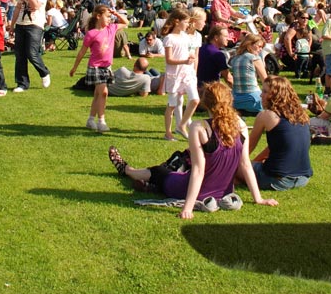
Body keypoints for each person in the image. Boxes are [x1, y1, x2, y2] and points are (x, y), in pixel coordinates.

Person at [107, 82, 279, 218]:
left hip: (195, 191)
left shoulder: (199, 127)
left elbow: (198, 170)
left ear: (205, 103)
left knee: (160, 172)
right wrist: (259, 199)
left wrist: (187, 208)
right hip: (224, 191)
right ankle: (145, 183)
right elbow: (246, 165)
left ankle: (128, 170)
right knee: (179, 164)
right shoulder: (240, 126)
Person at [69, 4, 129, 132]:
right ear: (98, 16)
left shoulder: (111, 28)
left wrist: (115, 13)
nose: (109, 19)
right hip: (95, 67)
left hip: (106, 67)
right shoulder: (91, 34)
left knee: (98, 94)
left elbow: (126, 22)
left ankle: (91, 120)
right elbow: (82, 52)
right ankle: (101, 121)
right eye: (107, 17)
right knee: (103, 92)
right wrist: (74, 68)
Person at [247, 76, 313, 190]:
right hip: (303, 178)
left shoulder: (266, 115)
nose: (261, 95)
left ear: (275, 96)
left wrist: (235, 166)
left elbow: (248, 147)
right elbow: (282, 144)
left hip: (276, 179)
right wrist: (254, 161)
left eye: (265, 92)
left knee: (236, 169)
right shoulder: (301, 115)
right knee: (251, 166)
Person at [9, 0, 51, 92]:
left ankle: (44, 72)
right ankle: (22, 83)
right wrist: (12, 25)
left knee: (31, 53)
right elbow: (17, 7)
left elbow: (36, 5)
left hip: (35, 24)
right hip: (21, 23)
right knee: (19, 54)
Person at [162, 9, 200, 140]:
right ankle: (168, 132)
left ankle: (182, 125)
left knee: (195, 99)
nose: (187, 25)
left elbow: (188, 51)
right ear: (177, 22)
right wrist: (184, 60)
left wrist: (190, 57)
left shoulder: (185, 36)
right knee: (172, 105)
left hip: (187, 74)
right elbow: (169, 60)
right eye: (186, 22)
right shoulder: (169, 38)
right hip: (175, 75)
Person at [229, 33, 268, 114]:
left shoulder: (235, 59)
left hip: (236, 100)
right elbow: (266, 81)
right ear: (249, 45)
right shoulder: (254, 59)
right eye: (259, 46)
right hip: (253, 99)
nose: (260, 49)